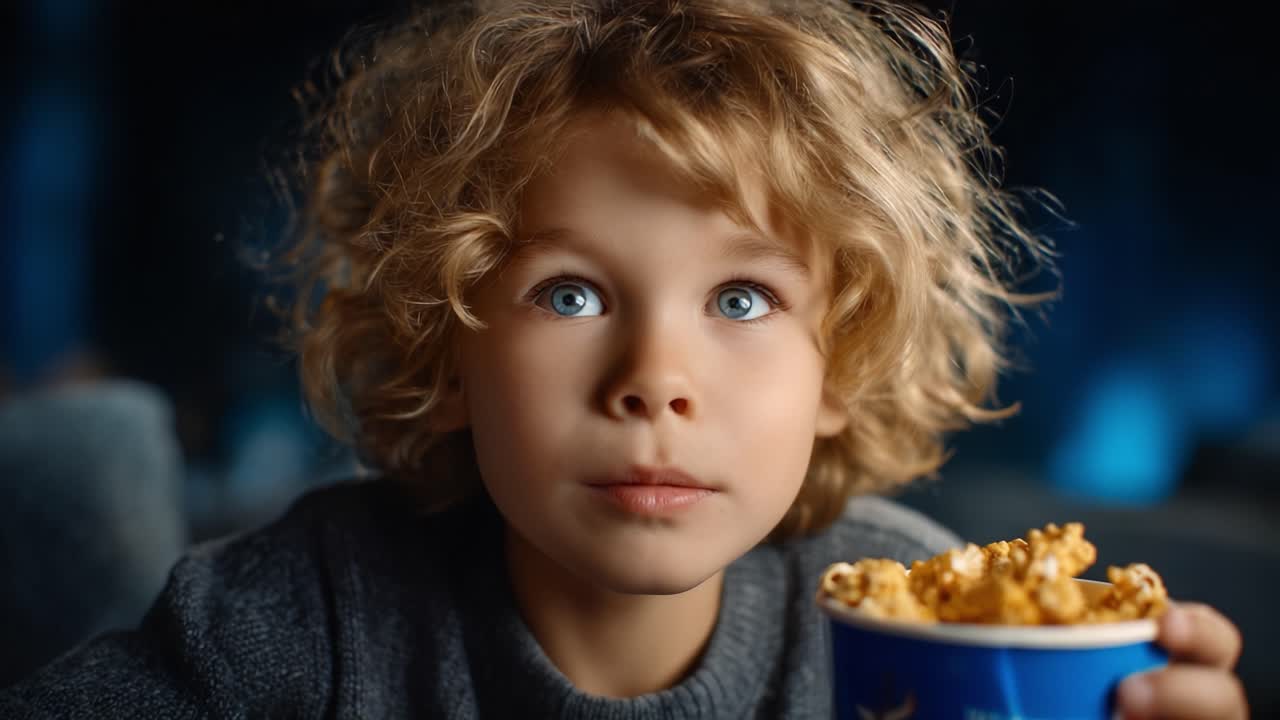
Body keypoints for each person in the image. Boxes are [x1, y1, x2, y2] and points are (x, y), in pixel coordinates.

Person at [0, 0, 1247, 717]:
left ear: (841, 363)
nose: (654, 376)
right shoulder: (290, 621)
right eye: (573, 290)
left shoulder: (916, 621)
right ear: (446, 349)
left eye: (745, 299)